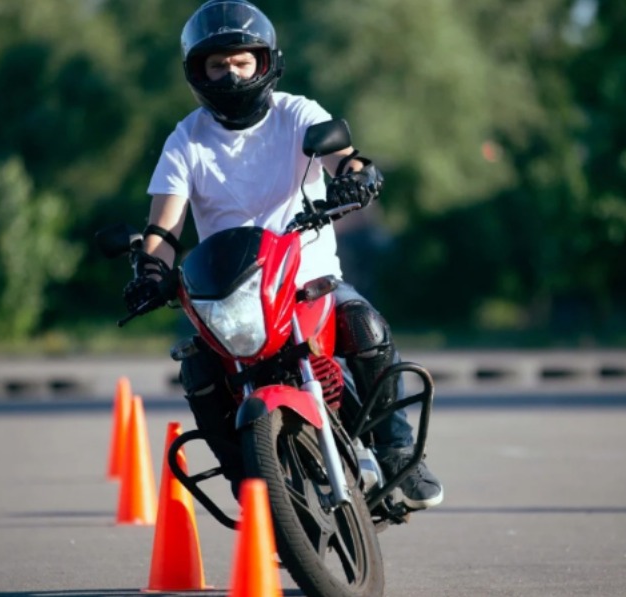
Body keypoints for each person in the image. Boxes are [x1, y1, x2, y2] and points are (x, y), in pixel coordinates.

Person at [122, 0, 443, 510]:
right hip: (229, 295)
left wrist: (357, 173)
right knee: (199, 374)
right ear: (197, 71)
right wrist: (152, 269)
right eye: (218, 63)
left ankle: (400, 453)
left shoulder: (297, 113)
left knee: (364, 326)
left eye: (243, 61)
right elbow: (164, 224)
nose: (231, 73)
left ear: (266, 63)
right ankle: (247, 484)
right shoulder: (185, 140)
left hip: (307, 278)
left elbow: (342, 156)